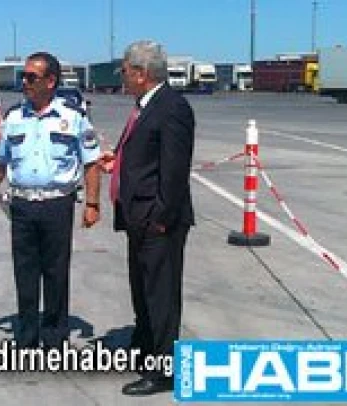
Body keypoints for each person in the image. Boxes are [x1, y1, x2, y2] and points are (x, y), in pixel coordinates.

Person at [0, 52, 101, 349]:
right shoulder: (13, 118)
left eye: (32, 77)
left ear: (50, 81)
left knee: (56, 272)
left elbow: (91, 163)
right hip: (22, 205)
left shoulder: (73, 117)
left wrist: (92, 204)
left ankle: (55, 336)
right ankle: (27, 337)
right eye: (23, 76)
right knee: (25, 272)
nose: (25, 82)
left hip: (57, 204)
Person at [99, 40, 195, 396]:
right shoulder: (144, 106)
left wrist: (159, 218)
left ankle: (164, 369)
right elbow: (145, 157)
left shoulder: (172, 108)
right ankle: (144, 348)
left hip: (157, 222)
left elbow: (174, 172)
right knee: (141, 289)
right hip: (137, 216)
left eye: (124, 71)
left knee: (161, 295)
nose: (122, 78)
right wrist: (118, 162)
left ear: (140, 73)